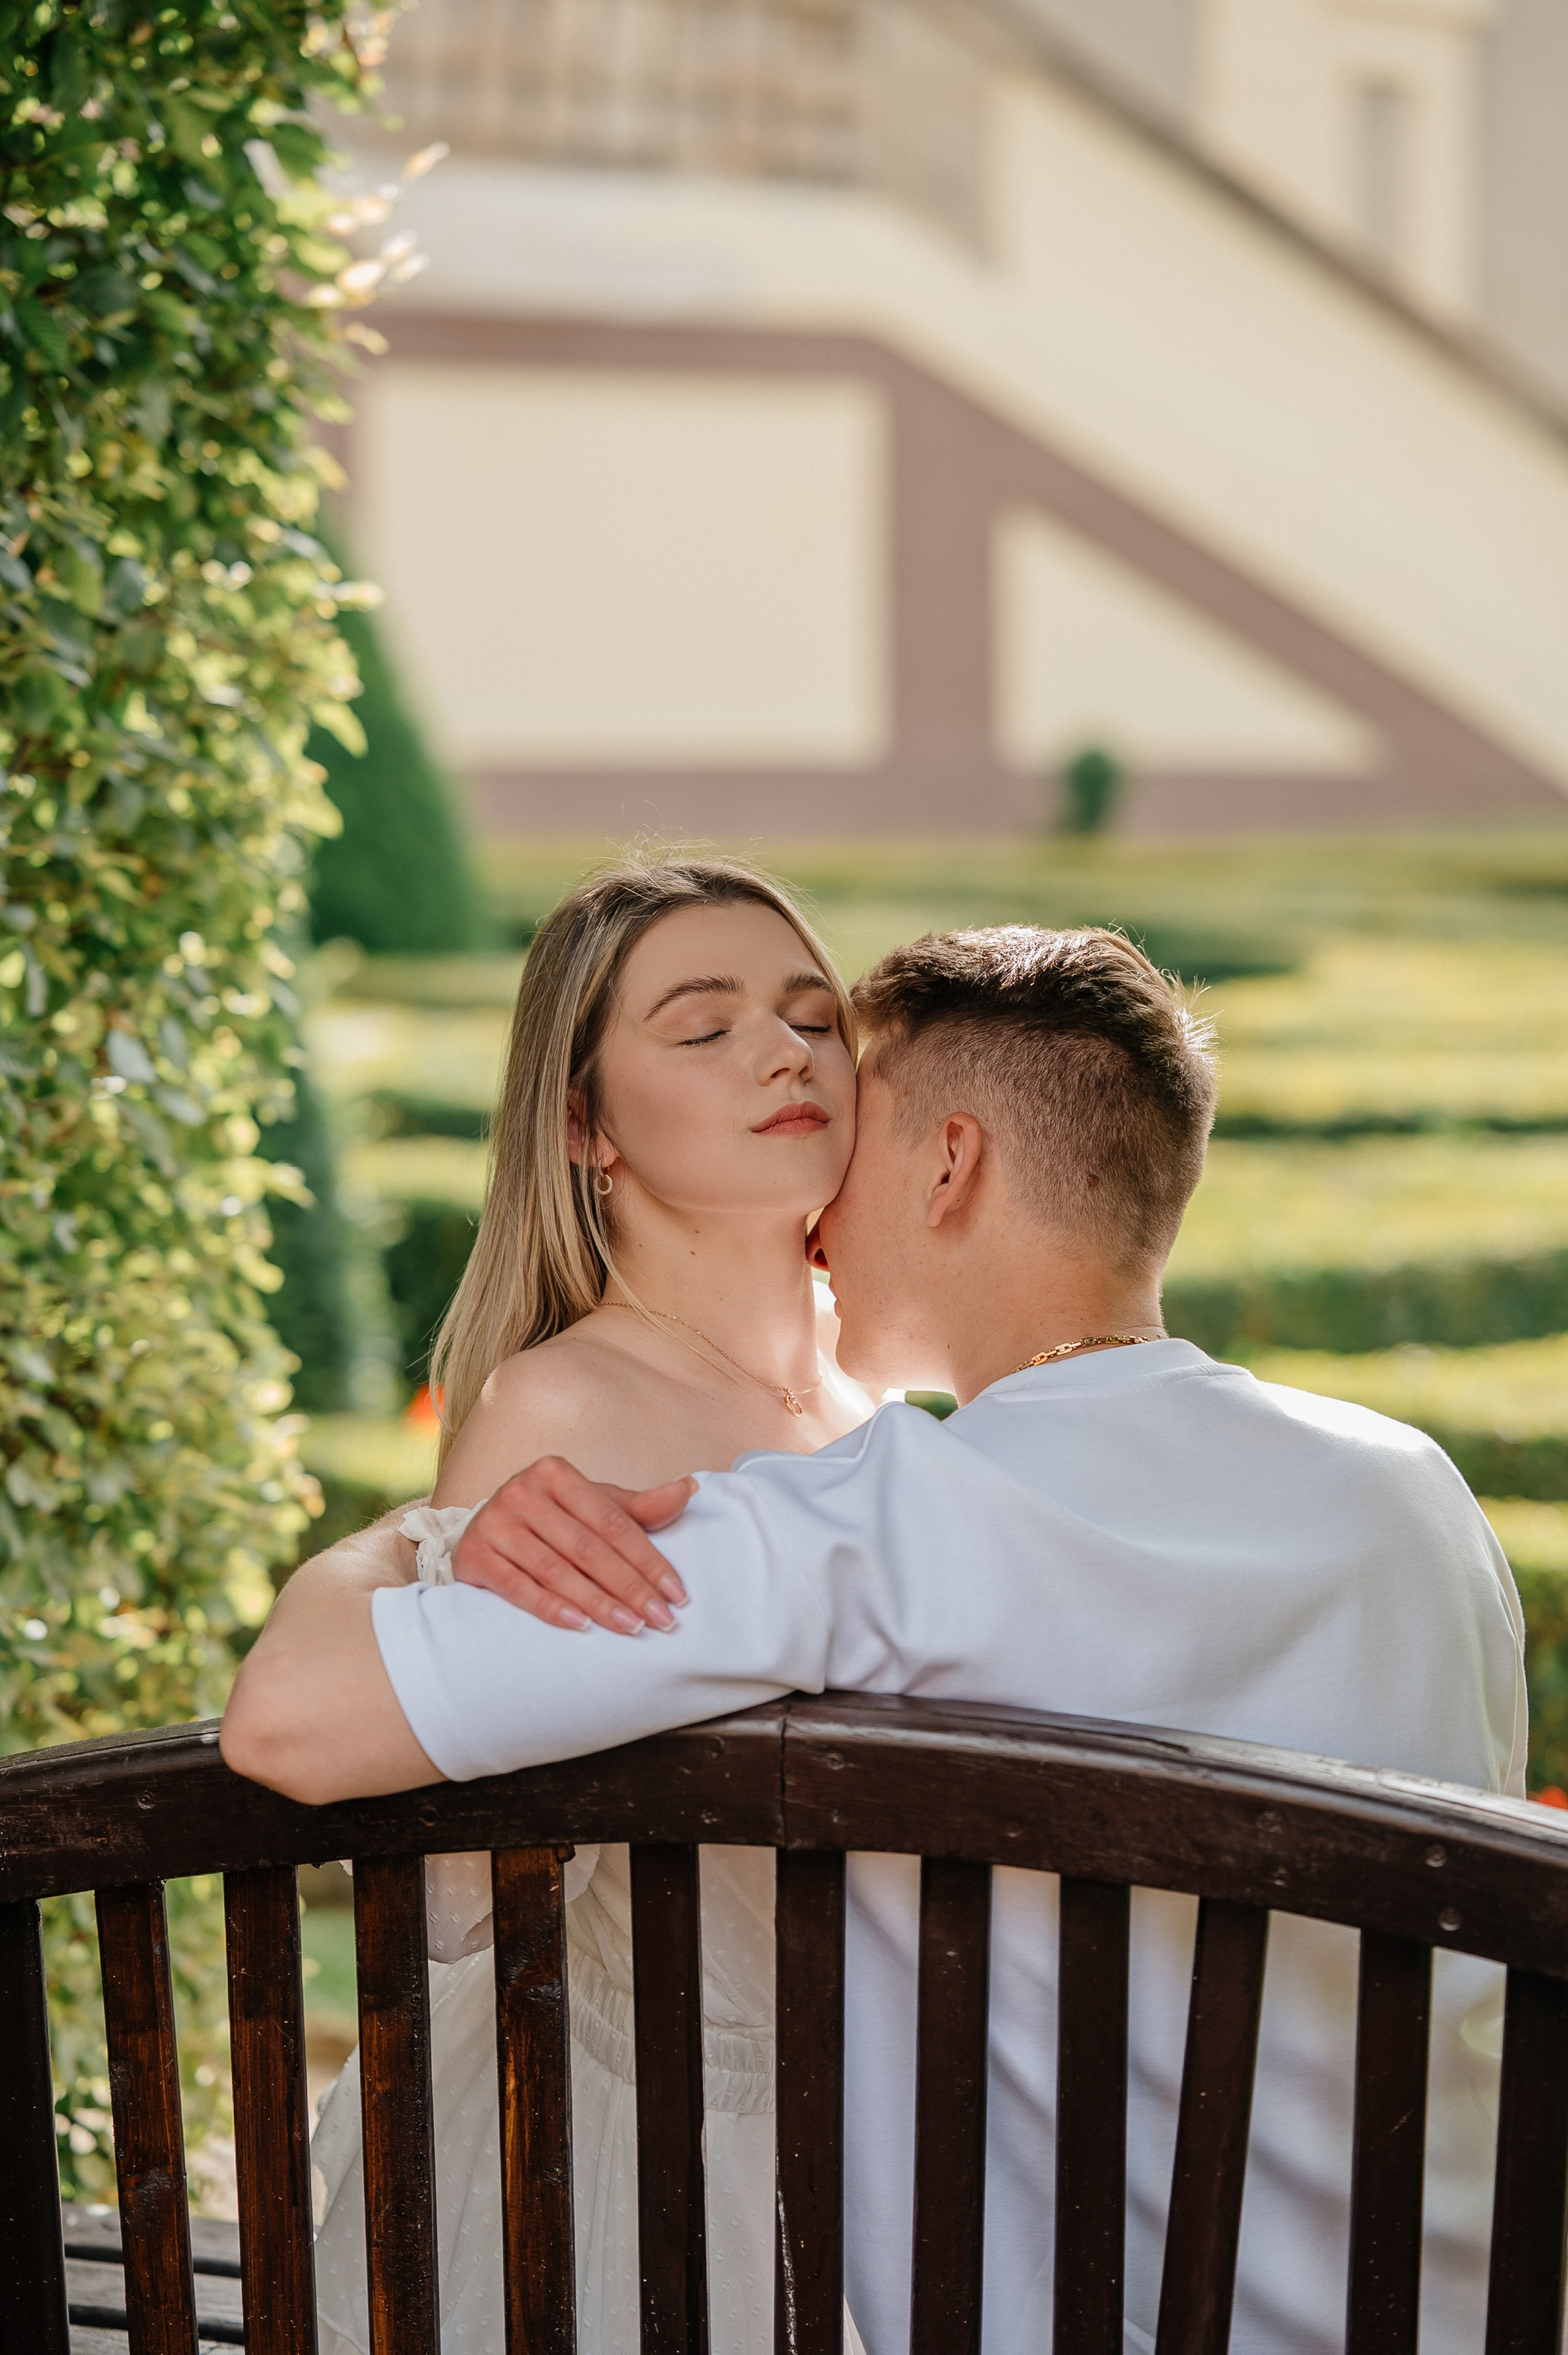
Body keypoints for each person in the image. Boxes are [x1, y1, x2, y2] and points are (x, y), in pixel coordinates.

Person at [225, 923, 1526, 2355]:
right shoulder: (1417, 1493)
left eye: (852, 1141)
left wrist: (404, 1542)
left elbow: (286, 1725)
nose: (821, 1212)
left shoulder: (876, 1521)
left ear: (950, 1165)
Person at [276, 852, 879, 2355]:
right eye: (702, 1025)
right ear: (582, 1123)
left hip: (882, 2118)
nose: (783, 1049)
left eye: (812, 1012)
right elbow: (468, 1895)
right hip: (645, 2148)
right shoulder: (563, 1412)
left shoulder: (883, 1382)